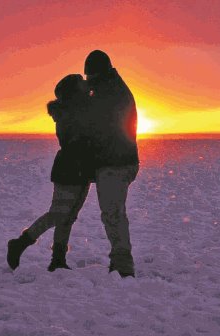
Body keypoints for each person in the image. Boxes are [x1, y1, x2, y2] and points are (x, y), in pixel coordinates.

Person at [7, 74, 94, 272]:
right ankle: (21, 243)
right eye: (81, 85)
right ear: (73, 93)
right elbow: (79, 141)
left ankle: (58, 259)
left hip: (81, 170)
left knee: (68, 216)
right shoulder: (69, 114)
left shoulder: (77, 110)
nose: (86, 86)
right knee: (58, 214)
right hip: (69, 169)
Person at [84, 50, 140, 278]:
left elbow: (97, 123)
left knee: (113, 214)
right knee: (114, 212)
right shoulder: (113, 87)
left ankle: (122, 263)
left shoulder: (108, 92)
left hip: (115, 164)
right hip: (122, 161)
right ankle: (120, 259)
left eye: (88, 76)